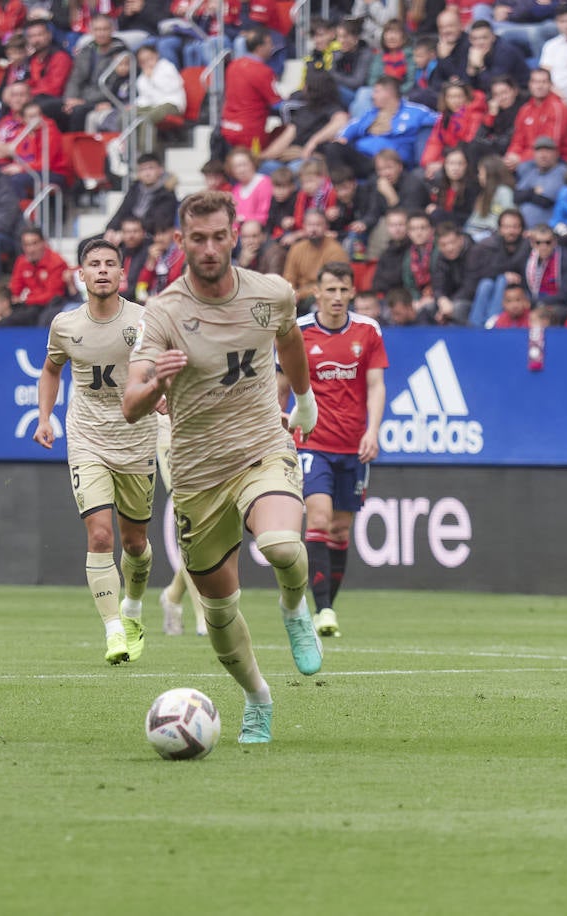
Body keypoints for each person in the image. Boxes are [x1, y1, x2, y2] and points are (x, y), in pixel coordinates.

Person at [122, 190, 323, 746]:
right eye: (197, 238)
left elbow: (289, 339)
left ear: (235, 235)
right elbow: (130, 403)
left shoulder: (272, 292)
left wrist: (302, 399)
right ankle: (258, 697)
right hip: (197, 476)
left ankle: (294, 606)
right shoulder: (163, 311)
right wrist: (158, 382)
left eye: (218, 236)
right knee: (217, 610)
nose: (209, 248)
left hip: (261, 446)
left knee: (283, 545)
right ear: (180, 242)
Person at [33, 238, 158, 665]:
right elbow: (51, 370)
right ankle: (113, 631)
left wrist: (161, 394)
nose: (102, 270)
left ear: (122, 273)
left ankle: (134, 609)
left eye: (110, 264)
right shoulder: (65, 325)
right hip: (87, 438)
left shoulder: (144, 321)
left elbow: (166, 370)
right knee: (101, 535)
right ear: (80, 274)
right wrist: (44, 417)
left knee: (135, 542)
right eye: (94, 264)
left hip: (137, 438)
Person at [288, 261, 388, 637]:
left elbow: (376, 385)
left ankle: (327, 604)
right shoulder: (298, 331)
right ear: (317, 291)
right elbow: (282, 385)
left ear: (352, 293)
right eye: (330, 289)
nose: (337, 297)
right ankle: (323, 609)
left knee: (341, 531)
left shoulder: (368, 330)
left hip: (353, 444)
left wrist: (373, 431)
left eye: (344, 290)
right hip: (312, 441)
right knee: (318, 519)